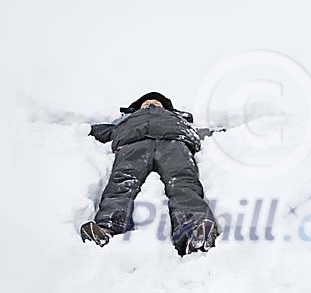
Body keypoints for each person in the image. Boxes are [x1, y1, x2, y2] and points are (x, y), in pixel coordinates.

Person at [80, 92, 219, 256]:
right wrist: (82, 130)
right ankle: (108, 227)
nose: (151, 104)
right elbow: (93, 131)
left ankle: (193, 230)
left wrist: (225, 133)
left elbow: (209, 133)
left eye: (156, 102)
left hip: (174, 143)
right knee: (122, 183)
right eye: (146, 103)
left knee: (182, 183)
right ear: (137, 108)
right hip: (133, 145)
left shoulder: (178, 119)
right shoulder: (126, 121)